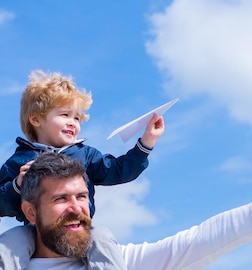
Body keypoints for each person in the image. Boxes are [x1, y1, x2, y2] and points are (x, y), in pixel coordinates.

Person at [19, 152, 252, 269]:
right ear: (31, 213)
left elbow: (201, 241)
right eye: (61, 199)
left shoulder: (116, 262)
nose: (77, 208)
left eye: (81, 197)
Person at [0, 70, 165, 269]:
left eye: (77, 118)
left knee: (102, 237)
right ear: (36, 119)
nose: (73, 122)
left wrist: (146, 143)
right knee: (9, 242)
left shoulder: (85, 155)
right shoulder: (19, 161)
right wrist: (17, 185)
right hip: (33, 231)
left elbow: (118, 170)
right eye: (65, 115)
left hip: (78, 228)